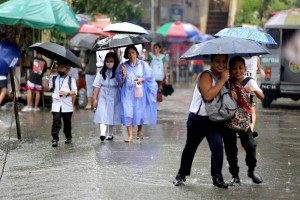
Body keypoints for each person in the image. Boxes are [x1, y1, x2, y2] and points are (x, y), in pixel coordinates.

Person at [173, 54, 229, 188]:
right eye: (217, 61)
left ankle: (217, 178)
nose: (220, 64)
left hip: (215, 119)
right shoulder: (206, 75)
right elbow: (208, 95)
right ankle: (181, 175)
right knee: (190, 148)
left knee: (217, 147)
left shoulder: (225, 78)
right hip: (197, 119)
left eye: (223, 62)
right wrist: (222, 81)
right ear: (211, 62)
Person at [223, 56, 264, 186]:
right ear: (230, 69)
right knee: (231, 150)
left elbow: (262, 96)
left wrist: (252, 90)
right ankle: (235, 176)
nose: (237, 71)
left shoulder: (249, 81)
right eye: (234, 68)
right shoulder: (227, 82)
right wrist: (229, 92)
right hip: (229, 122)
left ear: (245, 69)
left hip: (244, 122)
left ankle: (251, 171)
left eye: (240, 68)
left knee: (251, 147)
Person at [116, 45, 157, 142]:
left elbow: (150, 76)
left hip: (139, 92)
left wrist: (142, 79)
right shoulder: (123, 66)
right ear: (126, 55)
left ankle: (139, 131)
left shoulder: (143, 64)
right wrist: (121, 74)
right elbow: (119, 81)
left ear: (137, 53)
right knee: (128, 112)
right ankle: (130, 135)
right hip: (127, 92)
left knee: (139, 112)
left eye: (133, 52)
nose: (131, 55)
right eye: (129, 53)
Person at [44, 62, 77, 147]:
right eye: (59, 67)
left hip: (67, 105)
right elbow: (47, 88)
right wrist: (47, 78)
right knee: (56, 121)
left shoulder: (71, 79)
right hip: (56, 104)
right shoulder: (54, 78)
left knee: (67, 123)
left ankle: (68, 136)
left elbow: (75, 91)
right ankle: (55, 138)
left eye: (63, 68)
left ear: (67, 69)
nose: (60, 69)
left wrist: (67, 93)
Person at [93, 52, 121, 141]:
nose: (109, 63)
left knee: (112, 113)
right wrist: (95, 98)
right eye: (107, 61)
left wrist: (121, 75)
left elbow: (122, 84)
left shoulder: (118, 72)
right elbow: (97, 85)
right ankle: (102, 133)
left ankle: (110, 134)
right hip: (103, 94)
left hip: (115, 94)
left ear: (115, 61)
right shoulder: (101, 72)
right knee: (102, 112)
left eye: (111, 61)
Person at [244, 56, 265, 136]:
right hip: (240, 87)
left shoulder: (256, 58)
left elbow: (258, 69)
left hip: (252, 88)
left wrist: (261, 71)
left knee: (252, 109)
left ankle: (251, 130)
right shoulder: (239, 57)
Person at [148, 43, 168, 110]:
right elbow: (147, 66)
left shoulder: (163, 57)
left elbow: (165, 67)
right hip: (151, 78)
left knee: (159, 92)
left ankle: (157, 106)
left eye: (156, 47)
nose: (155, 49)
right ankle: (152, 105)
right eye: (154, 47)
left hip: (160, 78)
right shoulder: (150, 56)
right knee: (151, 91)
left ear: (160, 49)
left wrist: (167, 77)